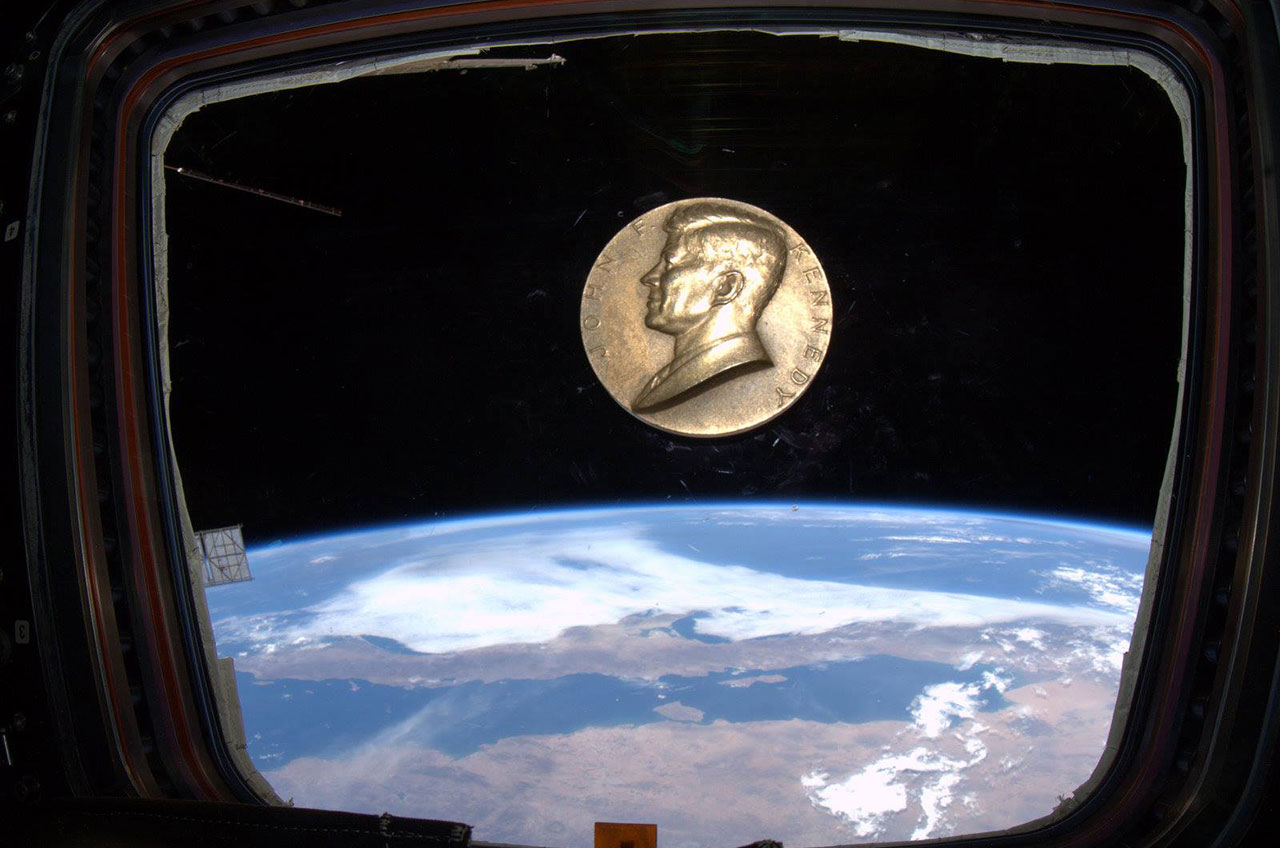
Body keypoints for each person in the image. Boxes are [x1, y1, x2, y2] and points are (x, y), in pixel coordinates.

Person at [632, 201, 787, 412]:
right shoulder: (665, 377)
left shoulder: (726, 368)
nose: (648, 278)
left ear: (726, 287)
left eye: (669, 264)